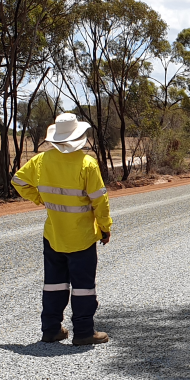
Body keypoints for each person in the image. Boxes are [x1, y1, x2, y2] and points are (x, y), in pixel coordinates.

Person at [11, 113, 113, 346]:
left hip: (53, 234)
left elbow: (18, 181)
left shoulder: (40, 161)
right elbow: (99, 201)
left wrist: (40, 199)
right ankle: (84, 332)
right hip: (82, 238)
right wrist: (105, 228)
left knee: (54, 284)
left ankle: (51, 330)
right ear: (78, 137)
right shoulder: (87, 164)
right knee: (83, 287)